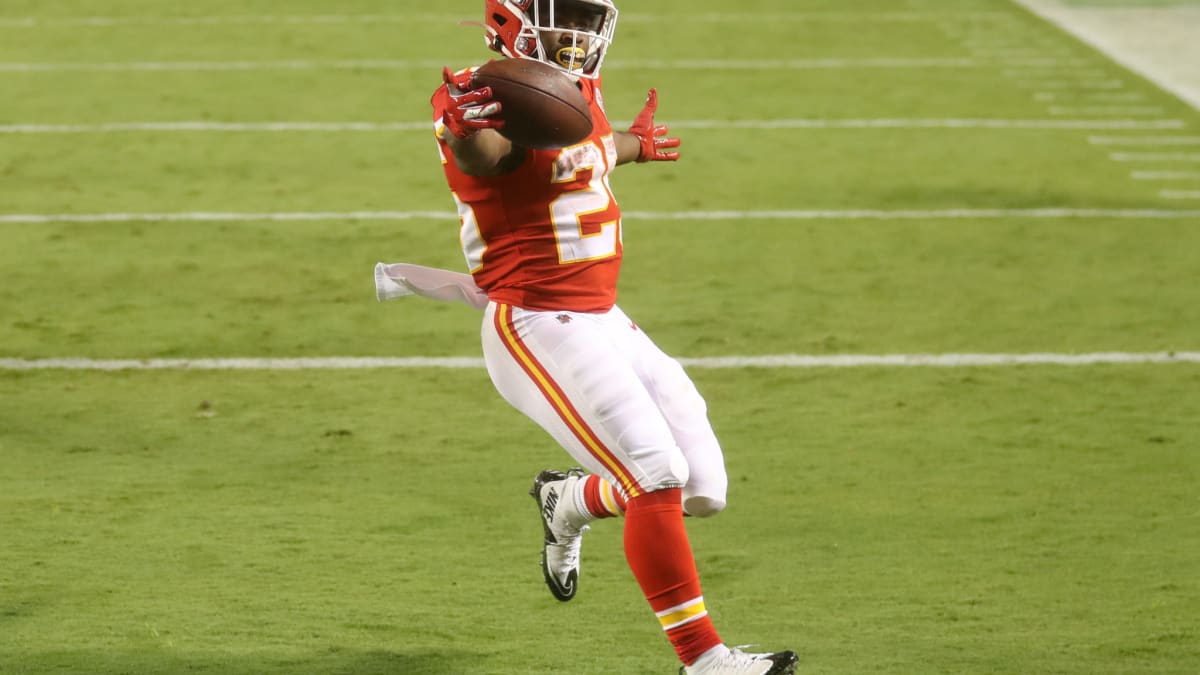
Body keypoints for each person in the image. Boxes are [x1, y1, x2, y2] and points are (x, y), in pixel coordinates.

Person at [424, 2, 799, 673]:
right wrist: (458, 132)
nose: (582, 32)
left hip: (601, 315)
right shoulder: (488, 99)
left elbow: (579, 152)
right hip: (535, 322)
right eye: (564, 16)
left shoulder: (570, 91)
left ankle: (569, 498)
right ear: (513, 23)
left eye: (585, 17)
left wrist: (632, 143)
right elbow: (485, 156)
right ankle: (705, 659)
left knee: (702, 487)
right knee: (655, 472)